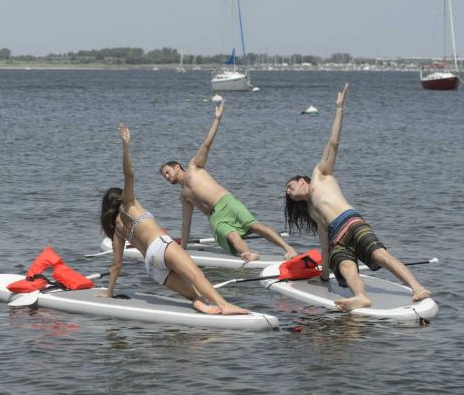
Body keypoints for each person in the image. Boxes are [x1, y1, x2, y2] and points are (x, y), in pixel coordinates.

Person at [284, 83, 432, 311]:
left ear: (302, 181)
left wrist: (340, 108)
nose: (290, 193)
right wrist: (324, 277)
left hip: (349, 221)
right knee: (344, 266)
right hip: (336, 236)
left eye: (290, 188)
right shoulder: (313, 212)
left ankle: (416, 287)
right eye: (289, 195)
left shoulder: (320, 174)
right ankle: (361, 296)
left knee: (381, 255)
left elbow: (333, 142)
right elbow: (324, 247)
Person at [100, 124, 249, 315]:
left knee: (194, 293)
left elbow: (117, 264)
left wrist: (109, 292)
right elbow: (129, 174)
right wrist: (126, 146)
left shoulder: (117, 230)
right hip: (160, 247)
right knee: (197, 276)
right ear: (121, 197)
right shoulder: (128, 204)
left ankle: (199, 303)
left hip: (152, 267)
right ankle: (225, 305)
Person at [160, 100, 297, 261]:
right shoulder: (184, 196)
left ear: (177, 167)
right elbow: (186, 223)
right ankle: (248, 254)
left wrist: (217, 119)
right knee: (231, 235)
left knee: (255, 226)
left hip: (226, 202)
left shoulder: (195, 166)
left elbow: (206, 144)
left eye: (167, 172)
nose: (167, 177)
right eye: (164, 177)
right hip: (214, 217)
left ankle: (288, 249)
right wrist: (182, 249)